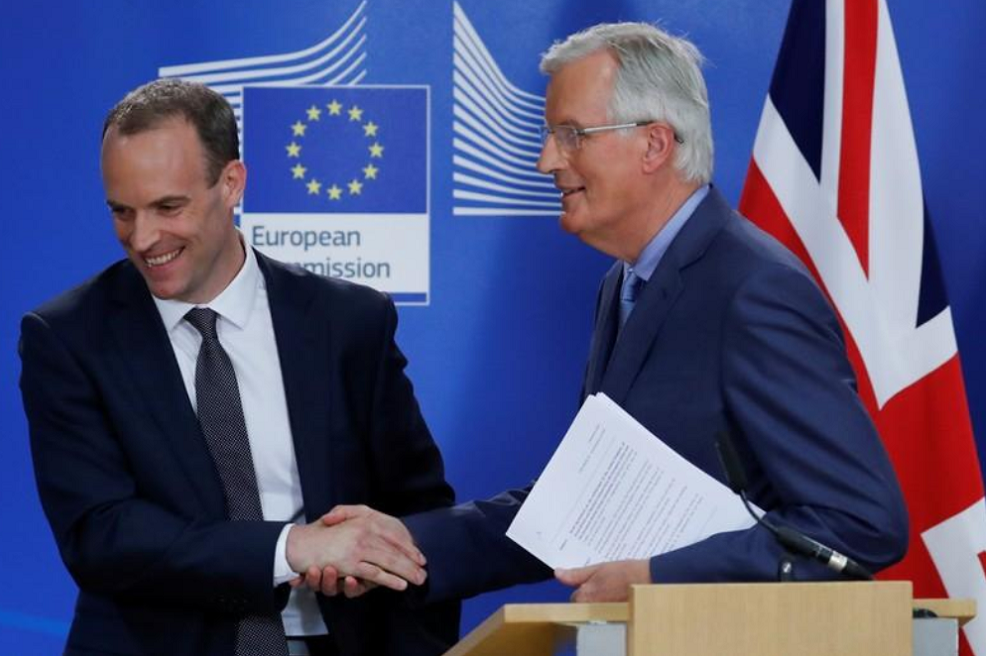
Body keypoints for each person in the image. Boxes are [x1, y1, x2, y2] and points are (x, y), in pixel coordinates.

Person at [312, 21, 909, 605]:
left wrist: (659, 576)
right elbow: (581, 509)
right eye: (551, 135)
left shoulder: (753, 290)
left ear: (654, 144)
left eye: (572, 135)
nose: (547, 160)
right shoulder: (624, 284)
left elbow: (859, 522)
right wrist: (403, 544)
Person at [19, 79, 458, 656]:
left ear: (231, 183)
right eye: (122, 211)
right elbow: (101, 533)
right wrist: (290, 548)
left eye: (168, 207)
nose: (142, 238)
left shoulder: (348, 321)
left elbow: (417, 512)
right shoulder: (69, 338)